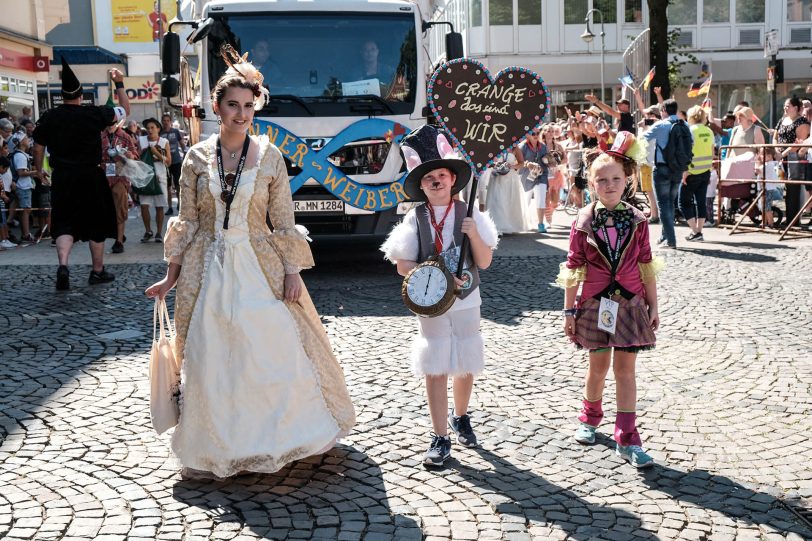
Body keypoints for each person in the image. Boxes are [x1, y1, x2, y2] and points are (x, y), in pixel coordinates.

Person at [144, 46, 355, 480]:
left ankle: (279, 438)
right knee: (211, 357)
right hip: (209, 270)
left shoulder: (271, 156)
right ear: (217, 107)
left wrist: (293, 272)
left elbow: (283, 221)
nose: (241, 114)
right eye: (232, 105)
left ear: (255, 106)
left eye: (248, 105)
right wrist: (171, 275)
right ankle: (217, 446)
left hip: (259, 267)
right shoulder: (196, 158)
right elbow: (188, 220)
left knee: (271, 352)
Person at [380, 124, 498, 467]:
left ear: (452, 178)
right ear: (421, 185)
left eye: (441, 175)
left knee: (464, 359)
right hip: (430, 301)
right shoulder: (415, 219)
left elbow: (486, 261)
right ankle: (439, 435)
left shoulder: (469, 214)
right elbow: (403, 264)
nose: (436, 181)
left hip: (467, 299)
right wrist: (427, 273)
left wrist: (473, 234)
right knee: (435, 364)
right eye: (428, 177)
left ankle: (460, 415)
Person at [557, 134, 662, 469]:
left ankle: (627, 436)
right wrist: (569, 309)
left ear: (628, 179)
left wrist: (653, 305)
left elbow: (646, 264)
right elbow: (574, 266)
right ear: (592, 183)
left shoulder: (637, 220)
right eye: (602, 180)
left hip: (630, 302)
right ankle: (590, 416)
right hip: (595, 304)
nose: (610, 184)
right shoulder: (583, 221)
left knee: (626, 371)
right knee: (598, 367)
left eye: (616, 178)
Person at [32, 58, 130, 290]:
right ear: (80, 95)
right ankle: (97, 271)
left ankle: (63, 266)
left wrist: (39, 170)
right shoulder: (94, 114)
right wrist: (119, 84)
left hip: (63, 177)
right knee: (96, 223)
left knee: (64, 223)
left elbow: (38, 147)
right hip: (90, 176)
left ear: (62, 95)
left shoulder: (49, 117)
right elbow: (125, 111)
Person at [644, 98, 688, 249]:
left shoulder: (660, 125)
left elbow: (643, 139)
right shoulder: (685, 125)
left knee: (664, 205)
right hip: (678, 169)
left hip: (662, 168)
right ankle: (664, 235)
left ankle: (671, 240)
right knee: (670, 203)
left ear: (663, 111)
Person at [101, 117, 139, 253]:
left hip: (120, 176)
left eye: (112, 123)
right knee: (106, 209)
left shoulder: (125, 137)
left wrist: (129, 155)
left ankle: (118, 241)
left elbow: (135, 155)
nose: (110, 126)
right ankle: (118, 234)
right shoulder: (100, 137)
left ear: (117, 123)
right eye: (107, 123)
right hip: (104, 177)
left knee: (120, 208)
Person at [679, 106, 714, 242]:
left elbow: (686, 152)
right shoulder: (709, 131)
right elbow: (712, 152)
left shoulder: (690, 131)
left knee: (683, 202)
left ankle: (695, 231)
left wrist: (685, 172)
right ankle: (699, 231)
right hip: (705, 171)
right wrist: (709, 170)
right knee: (701, 202)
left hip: (691, 172)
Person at [774, 97, 810, 225]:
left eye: (788, 105)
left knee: (793, 188)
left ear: (796, 107)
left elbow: (799, 141)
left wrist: (783, 153)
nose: (785, 108)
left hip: (794, 157)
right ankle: (789, 218)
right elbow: (776, 136)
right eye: (784, 105)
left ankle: (792, 220)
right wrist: (776, 150)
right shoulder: (782, 120)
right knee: (784, 188)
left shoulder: (802, 122)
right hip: (781, 157)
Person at [139, 118, 171, 243]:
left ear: (158, 129)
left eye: (152, 127)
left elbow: (168, 162)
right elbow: (137, 157)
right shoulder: (141, 141)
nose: (150, 130)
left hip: (160, 177)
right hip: (145, 178)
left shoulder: (164, 142)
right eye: (148, 128)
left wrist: (156, 153)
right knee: (144, 206)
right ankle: (148, 231)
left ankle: (158, 232)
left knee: (159, 206)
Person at [514, 129, 549, 232]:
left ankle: (541, 224)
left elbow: (547, 159)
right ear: (527, 135)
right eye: (533, 133)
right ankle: (522, 222)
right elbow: (517, 161)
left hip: (541, 175)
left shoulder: (543, 146)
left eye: (538, 133)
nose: (535, 135)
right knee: (526, 200)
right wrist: (527, 164)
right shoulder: (522, 146)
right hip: (526, 176)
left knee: (541, 199)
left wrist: (550, 160)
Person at [484, 152, 526, 234]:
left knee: (509, 201)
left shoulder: (515, 147)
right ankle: (496, 226)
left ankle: (510, 225)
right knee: (497, 201)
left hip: (510, 178)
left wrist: (512, 166)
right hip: (497, 178)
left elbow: (522, 163)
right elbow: (487, 162)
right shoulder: (495, 146)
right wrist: (495, 165)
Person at [9, 133, 37, 243]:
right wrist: (36, 172)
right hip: (23, 186)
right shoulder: (20, 156)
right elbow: (21, 172)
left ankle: (25, 233)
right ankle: (26, 234)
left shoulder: (21, 154)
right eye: (25, 138)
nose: (28, 140)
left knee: (24, 210)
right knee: (26, 210)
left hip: (24, 185)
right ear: (21, 142)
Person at [160, 113, 187, 215]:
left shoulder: (175, 131)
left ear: (170, 122)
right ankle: (170, 207)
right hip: (165, 163)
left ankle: (180, 204)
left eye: (168, 120)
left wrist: (185, 154)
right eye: (164, 121)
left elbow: (182, 144)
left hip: (176, 161)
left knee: (178, 184)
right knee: (167, 186)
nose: (166, 122)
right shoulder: (160, 133)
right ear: (162, 122)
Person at [638, 105, 661, 224]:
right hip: (646, 161)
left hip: (649, 162)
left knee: (650, 190)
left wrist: (643, 128)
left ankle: (655, 215)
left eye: (648, 115)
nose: (645, 117)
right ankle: (653, 212)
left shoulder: (654, 127)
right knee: (648, 190)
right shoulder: (650, 126)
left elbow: (643, 140)